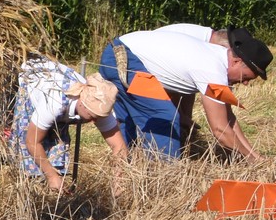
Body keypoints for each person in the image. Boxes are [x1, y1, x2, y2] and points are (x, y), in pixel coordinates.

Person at [99, 25, 268, 161]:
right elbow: (219, 130)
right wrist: (253, 160)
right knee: (165, 117)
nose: (245, 83)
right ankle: (163, 181)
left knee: (129, 120)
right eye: (246, 77)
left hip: (119, 51)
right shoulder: (213, 70)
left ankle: (126, 169)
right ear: (237, 61)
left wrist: (255, 155)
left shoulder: (217, 58)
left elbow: (228, 119)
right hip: (125, 59)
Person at [9, 58, 126, 191]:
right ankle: (32, 188)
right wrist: (51, 175)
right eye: (92, 117)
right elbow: (32, 141)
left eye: (98, 117)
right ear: (82, 103)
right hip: (32, 78)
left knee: (58, 146)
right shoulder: (54, 102)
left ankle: (55, 188)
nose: (94, 122)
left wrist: (118, 181)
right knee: (29, 155)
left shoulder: (100, 105)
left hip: (59, 95)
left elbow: (119, 146)